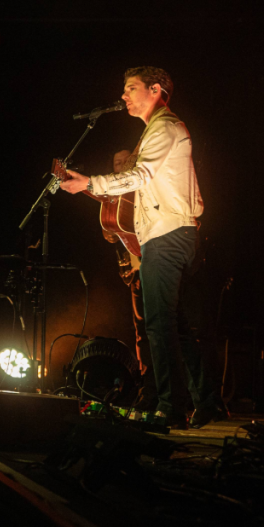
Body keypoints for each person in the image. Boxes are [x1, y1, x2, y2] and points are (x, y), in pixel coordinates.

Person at [61, 66, 224, 429]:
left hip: (167, 237)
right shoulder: (158, 130)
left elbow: (141, 174)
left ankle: (171, 406)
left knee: (159, 323)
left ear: (156, 90)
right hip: (172, 235)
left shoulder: (164, 127)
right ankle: (206, 401)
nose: (124, 96)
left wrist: (93, 180)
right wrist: (93, 186)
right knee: (177, 326)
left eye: (131, 88)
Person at [104, 148, 158, 413]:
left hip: (154, 263)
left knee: (160, 328)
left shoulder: (142, 186)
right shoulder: (113, 194)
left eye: (125, 161)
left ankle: (164, 391)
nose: (120, 165)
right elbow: (110, 235)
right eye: (116, 162)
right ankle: (148, 387)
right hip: (133, 270)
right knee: (142, 331)